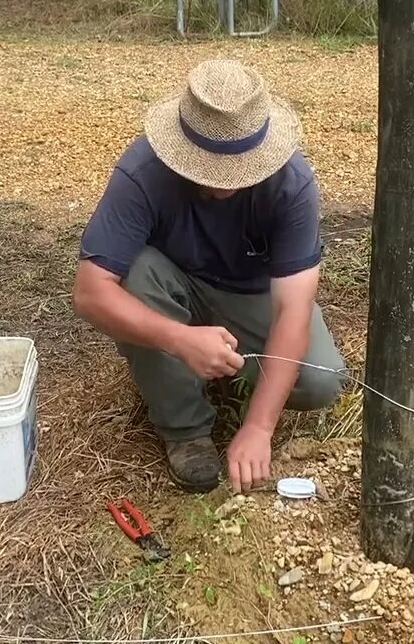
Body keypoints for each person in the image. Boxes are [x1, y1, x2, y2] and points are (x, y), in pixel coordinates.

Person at [72, 59, 345, 494]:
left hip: (251, 294)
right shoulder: (142, 172)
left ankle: (226, 379)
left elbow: (293, 308)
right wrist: (177, 339)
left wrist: (259, 427)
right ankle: (184, 426)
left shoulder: (293, 184)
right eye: (207, 168)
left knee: (319, 380)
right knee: (135, 271)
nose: (224, 186)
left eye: (239, 171)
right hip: (169, 285)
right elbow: (89, 293)